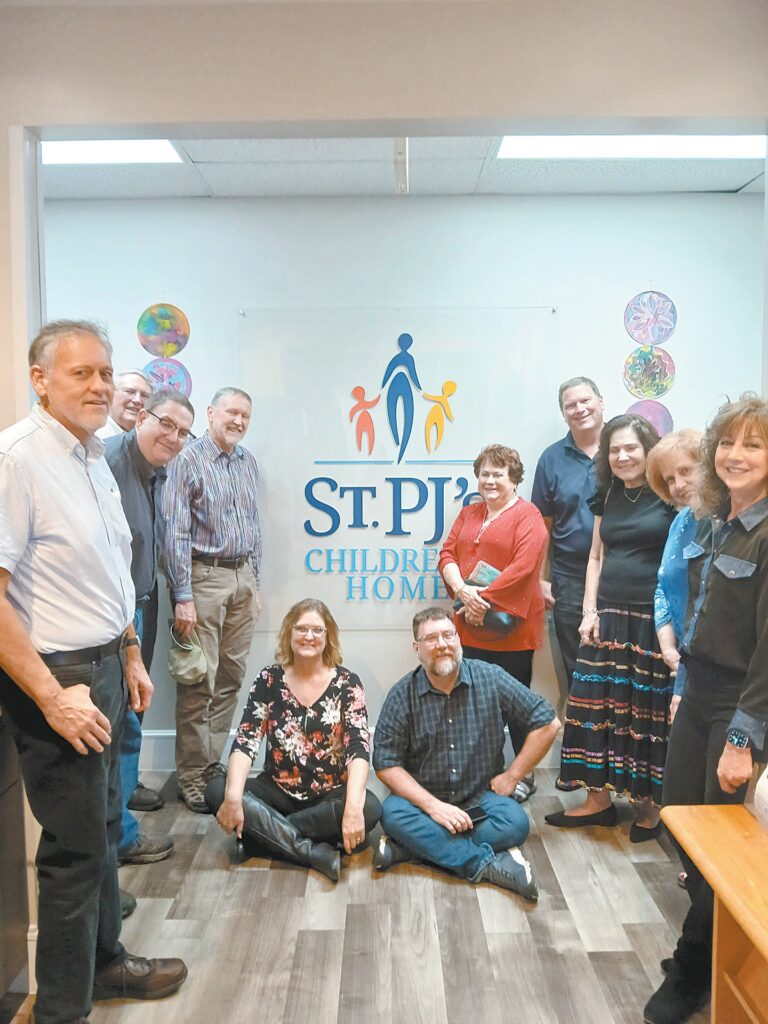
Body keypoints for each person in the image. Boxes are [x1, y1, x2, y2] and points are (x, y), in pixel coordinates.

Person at [0, 321, 187, 1024]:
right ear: (39, 378)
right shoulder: (16, 460)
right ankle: (61, 1011)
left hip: (107, 665)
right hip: (56, 680)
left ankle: (105, 963)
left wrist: (133, 653)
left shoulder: (90, 458)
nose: (101, 386)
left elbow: (112, 572)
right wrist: (52, 698)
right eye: (81, 373)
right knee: (75, 854)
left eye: (105, 373)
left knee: (106, 827)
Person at [644, 395, 768, 1024]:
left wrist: (743, 740)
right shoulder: (718, 523)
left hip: (739, 702)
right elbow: (695, 614)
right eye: (728, 443)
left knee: (717, 838)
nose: (736, 455)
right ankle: (710, 937)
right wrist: (679, 690)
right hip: (696, 690)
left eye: (754, 444)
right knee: (681, 821)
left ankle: (692, 969)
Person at [545, 414, 675, 839]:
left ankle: (648, 808)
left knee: (644, 711)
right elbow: (596, 557)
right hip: (609, 616)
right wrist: (589, 611)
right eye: (614, 450)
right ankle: (598, 801)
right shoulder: (608, 493)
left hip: (653, 622)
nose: (621, 456)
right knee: (594, 706)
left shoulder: (669, 495)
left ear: (649, 450)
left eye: (630, 448)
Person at [372, 607, 559, 900]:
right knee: (392, 813)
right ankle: (487, 865)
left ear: (458, 639)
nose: (442, 644)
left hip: (479, 801)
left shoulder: (491, 678)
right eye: (431, 638)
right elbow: (385, 763)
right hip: (423, 803)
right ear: (416, 648)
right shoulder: (402, 695)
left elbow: (548, 722)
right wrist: (434, 808)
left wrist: (513, 776)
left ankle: (412, 846)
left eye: (448, 635)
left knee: (515, 823)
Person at [206, 599, 381, 882]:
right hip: (276, 791)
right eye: (301, 628)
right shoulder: (269, 680)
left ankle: (261, 839)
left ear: (328, 637)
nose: (308, 636)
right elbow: (246, 741)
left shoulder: (347, 683)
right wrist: (234, 796)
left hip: (328, 793)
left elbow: (358, 750)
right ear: (289, 633)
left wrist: (351, 808)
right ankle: (312, 852)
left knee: (369, 807)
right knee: (217, 790)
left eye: (317, 630)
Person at [105, 389, 195, 864]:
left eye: (183, 432)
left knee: (133, 718)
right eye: (167, 425)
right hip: (118, 615)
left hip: (143, 599)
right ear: (141, 416)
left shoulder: (155, 471)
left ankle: (118, 828)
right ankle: (118, 838)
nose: (175, 438)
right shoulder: (110, 465)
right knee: (123, 725)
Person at [163, 386, 262, 813]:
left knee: (231, 680)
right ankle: (192, 777)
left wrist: (255, 582)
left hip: (242, 576)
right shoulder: (187, 460)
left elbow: (255, 526)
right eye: (231, 412)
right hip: (202, 580)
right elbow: (176, 532)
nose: (238, 421)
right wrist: (182, 595)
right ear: (210, 412)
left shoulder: (247, 461)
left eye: (245, 415)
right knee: (199, 682)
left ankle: (211, 765)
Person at [438, 443, 548, 802]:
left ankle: (523, 774)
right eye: (484, 473)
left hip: (511, 629)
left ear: (514, 478)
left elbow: (525, 566)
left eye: (498, 474)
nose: (490, 480)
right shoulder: (469, 513)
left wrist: (481, 599)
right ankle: (485, 771)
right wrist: (462, 591)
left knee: (516, 706)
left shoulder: (527, 515)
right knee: (474, 704)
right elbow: (447, 553)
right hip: (469, 625)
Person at [531, 376, 605, 700]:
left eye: (585, 400)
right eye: (570, 405)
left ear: (601, 402)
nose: (579, 409)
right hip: (570, 577)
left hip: (619, 573)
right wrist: (539, 578)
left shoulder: (624, 450)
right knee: (579, 663)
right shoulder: (551, 459)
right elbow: (541, 525)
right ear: (564, 414)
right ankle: (582, 743)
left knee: (620, 662)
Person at [646, 429, 704, 724]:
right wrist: (668, 649)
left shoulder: (721, 523)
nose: (678, 485)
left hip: (708, 669)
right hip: (682, 659)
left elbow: (706, 604)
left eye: (685, 471)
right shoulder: (681, 520)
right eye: (670, 478)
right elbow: (663, 586)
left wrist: (683, 679)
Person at [98, 369, 154, 437]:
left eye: (144, 395)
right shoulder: (93, 436)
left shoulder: (146, 442)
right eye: (130, 392)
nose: (137, 400)